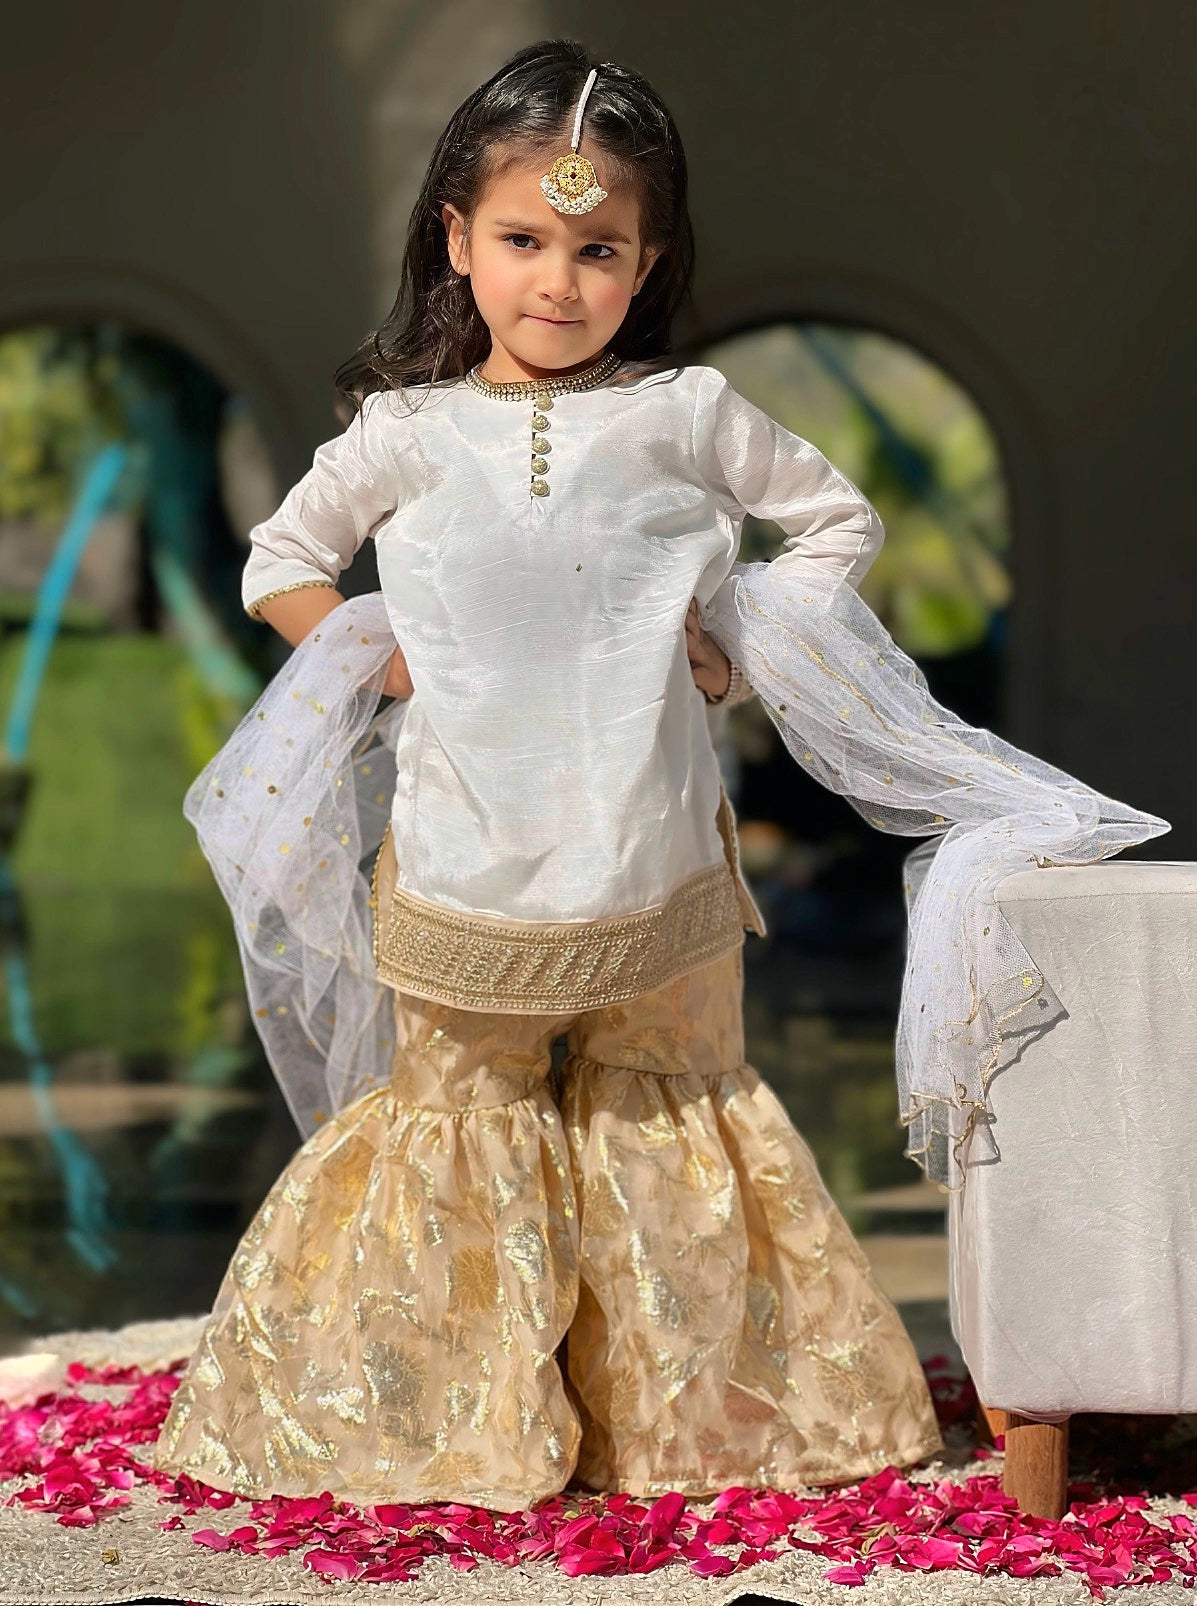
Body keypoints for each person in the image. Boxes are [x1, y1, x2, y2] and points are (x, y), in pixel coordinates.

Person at [150, 40, 1166, 1514]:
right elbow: (279, 560)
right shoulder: (406, 431)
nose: (557, 281)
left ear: (648, 261)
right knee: (460, 1120)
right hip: (461, 847)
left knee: (667, 1107)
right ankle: (447, 1426)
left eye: (598, 250)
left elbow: (837, 520)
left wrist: (738, 646)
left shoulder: (685, 413)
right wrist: (382, 659)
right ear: (456, 240)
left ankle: (692, 1429)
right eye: (521, 240)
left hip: (655, 847)